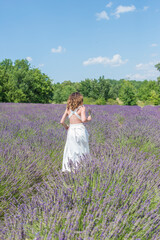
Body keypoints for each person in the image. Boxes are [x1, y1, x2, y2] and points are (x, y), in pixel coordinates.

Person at [60, 92, 91, 172]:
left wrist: (66, 127)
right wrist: (89, 119)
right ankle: (82, 168)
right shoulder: (82, 108)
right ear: (80, 100)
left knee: (71, 149)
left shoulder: (68, 109)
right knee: (82, 149)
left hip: (71, 130)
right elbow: (83, 120)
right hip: (80, 130)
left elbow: (62, 121)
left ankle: (70, 168)